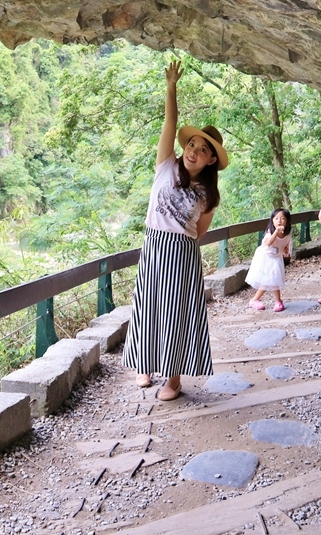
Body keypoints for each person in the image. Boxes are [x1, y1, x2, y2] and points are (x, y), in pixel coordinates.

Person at [122, 60, 228, 402]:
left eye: (202, 149)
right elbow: (170, 122)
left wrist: (179, 244)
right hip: (153, 244)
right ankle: (145, 365)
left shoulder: (209, 195)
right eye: (192, 144)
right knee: (149, 304)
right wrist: (171, 87)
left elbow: (199, 230)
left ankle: (174, 377)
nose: (193, 151)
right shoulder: (166, 163)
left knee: (176, 310)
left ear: (211, 160)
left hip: (182, 252)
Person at [246, 208, 292, 312]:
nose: (279, 221)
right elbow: (269, 243)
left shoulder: (288, 233)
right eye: (276, 218)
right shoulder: (270, 232)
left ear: (287, 221)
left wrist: (286, 251)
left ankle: (277, 301)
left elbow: (285, 244)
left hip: (276, 258)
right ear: (272, 221)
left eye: (282, 218)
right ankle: (255, 300)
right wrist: (276, 232)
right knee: (268, 280)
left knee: (274, 278)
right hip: (266, 258)